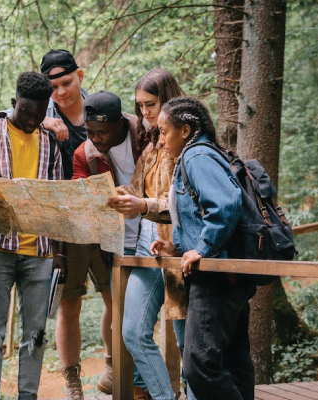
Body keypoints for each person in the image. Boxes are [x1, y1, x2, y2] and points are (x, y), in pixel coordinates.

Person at [0, 49, 114, 400]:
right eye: (53, 86)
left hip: (100, 222)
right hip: (57, 230)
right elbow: (3, 123)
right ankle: (73, 384)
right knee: (67, 306)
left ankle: (115, 367)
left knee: (113, 296)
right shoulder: (40, 116)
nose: (61, 92)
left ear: (80, 76)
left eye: (67, 83)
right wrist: (43, 122)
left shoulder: (101, 109)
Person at [151, 96, 257, 400]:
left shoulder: (196, 155)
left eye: (164, 132)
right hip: (227, 273)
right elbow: (202, 213)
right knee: (233, 362)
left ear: (185, 130)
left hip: (216, 277)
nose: (160, 141)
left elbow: (224, 204)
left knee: (199, 365)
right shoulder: (206, 153)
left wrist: (204, 247)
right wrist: (179, 248)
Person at [0, 72, 64, 400]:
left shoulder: (51, 140)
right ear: (14, 104)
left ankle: (28, 396)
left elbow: (53, 200)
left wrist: (59, 253)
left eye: (39, 115)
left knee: (35, 335)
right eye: (25, 112)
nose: (31, 120)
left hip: (39, 250)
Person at [107, 69, 194, 400]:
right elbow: (136, 189)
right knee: (132, 332)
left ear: (169, 100)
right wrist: (115, 196)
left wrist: (142, 203)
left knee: (188, 342)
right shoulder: (151, 144)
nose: (145, 112)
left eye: (151, 104)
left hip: (181, 247)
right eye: (140, 105)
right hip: (147, 244)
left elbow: (182, 203)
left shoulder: (186, 143)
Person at [71, 90, 144, 398]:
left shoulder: (145, 135)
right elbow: (80, 192)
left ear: (119, 125)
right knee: (124, 314)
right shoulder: (84, 153)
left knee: (145, 316)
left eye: (103, 132)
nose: (96, 138)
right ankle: (127, 379)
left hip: (155, 235)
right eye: (90, 132)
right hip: (117, 243)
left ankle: (140, 380)